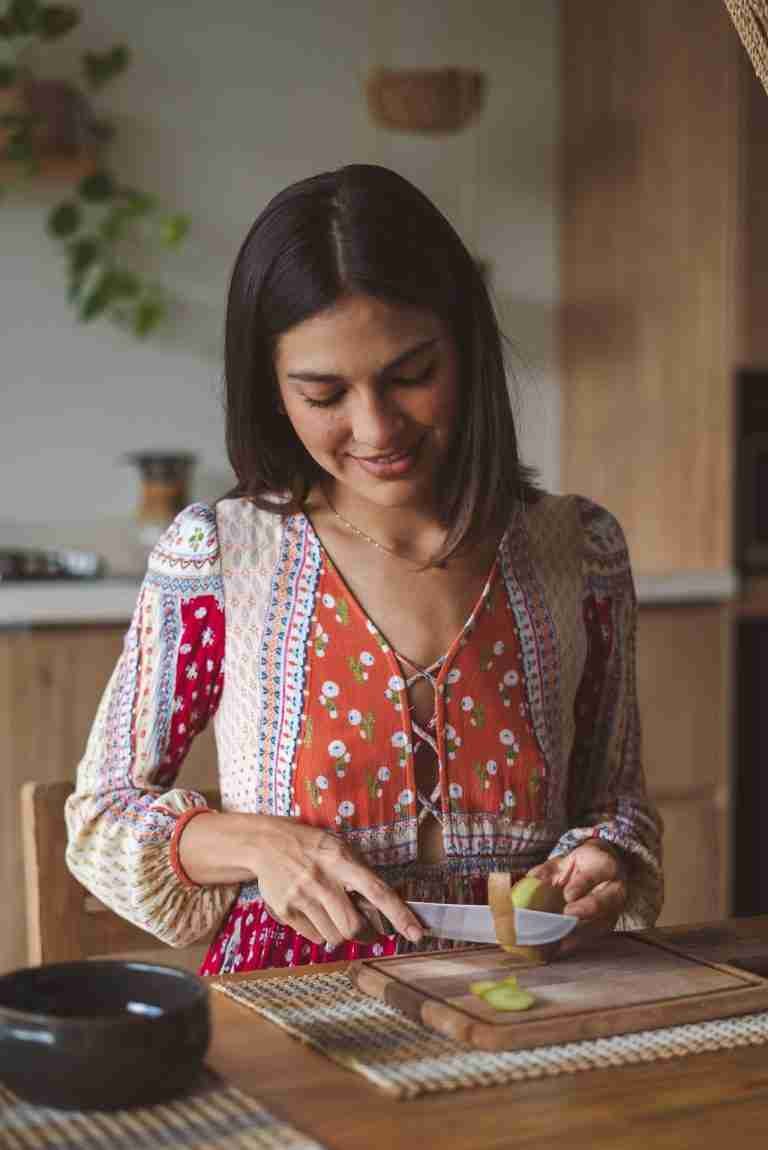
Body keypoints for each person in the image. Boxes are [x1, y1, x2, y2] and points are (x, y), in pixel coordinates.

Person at [65, 164, 663, 975]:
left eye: (411, 375)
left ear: (467, 349)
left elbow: (615, 804)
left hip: (526, 1000)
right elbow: (102, 816)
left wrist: (606, 865)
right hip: (294, 1005)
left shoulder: (580, 552)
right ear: (272, 391)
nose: (375, 427)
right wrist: (259, 844)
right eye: (323, 393)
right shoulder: (218, 558)